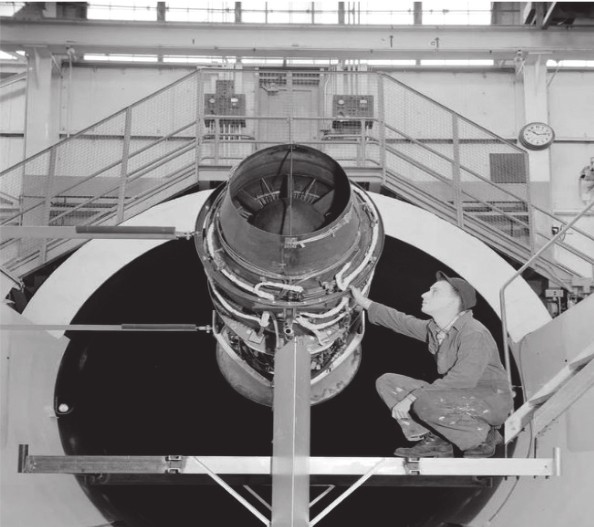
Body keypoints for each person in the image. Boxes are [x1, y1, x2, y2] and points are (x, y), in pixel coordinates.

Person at [351, 272, 513, 458]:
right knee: (388, 382)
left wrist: (411, 398)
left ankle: (482, 436)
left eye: (434, 292)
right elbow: (401, 321)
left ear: (455, 301)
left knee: (424, 401)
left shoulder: (474, 333)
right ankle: (436, 439)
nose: (424, 295)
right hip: (457, 397)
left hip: (488, 402)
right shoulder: (436, 330)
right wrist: (364, 302)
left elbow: (462, 379)